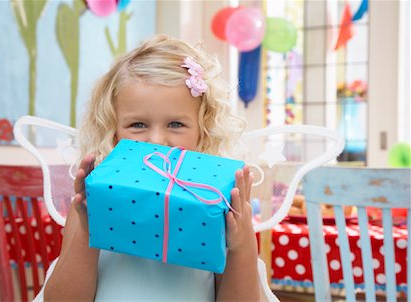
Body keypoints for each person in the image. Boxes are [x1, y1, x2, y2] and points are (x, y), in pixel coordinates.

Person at [38, 34, 276, 301]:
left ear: (203, 132)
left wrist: (241, 246)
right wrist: (88, 228)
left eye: (175, 124)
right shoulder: (92, 202)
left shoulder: (217, 203)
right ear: (114, 132)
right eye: (138, 125)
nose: (156, 142)